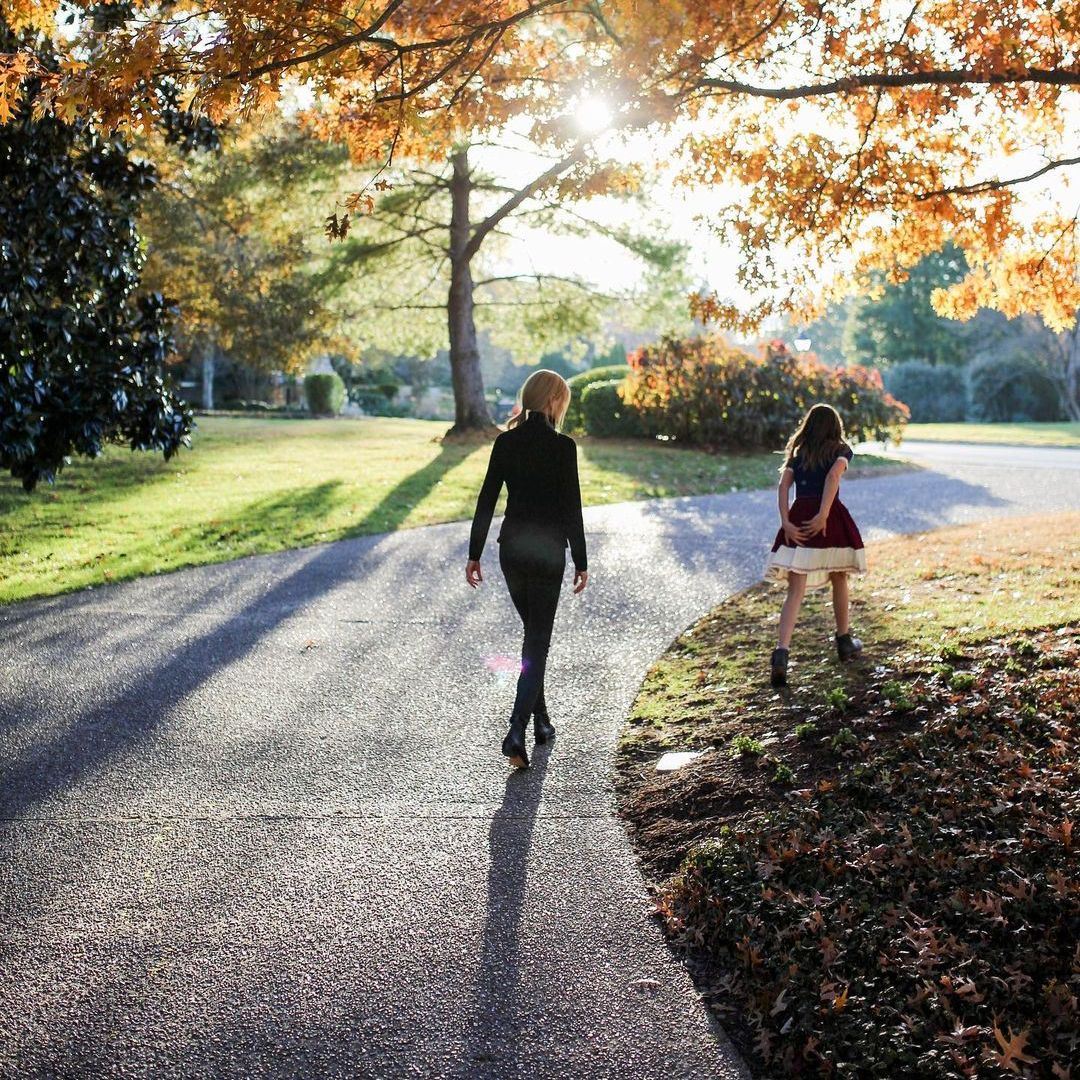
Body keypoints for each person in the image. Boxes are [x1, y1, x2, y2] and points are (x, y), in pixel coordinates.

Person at [466, 370, 588, 769]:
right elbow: (572, 509)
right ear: (554, 401)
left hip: (511, 552)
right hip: (549, 553)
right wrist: (582, 562)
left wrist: (474, 553)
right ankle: (515, 730)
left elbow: (487, 500)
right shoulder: (563, 447)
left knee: (533, 638)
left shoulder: (505, 442)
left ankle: (542, 722)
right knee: (537, 642)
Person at [764, 403, 866, 687]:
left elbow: (784, 487)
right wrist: (823, 514)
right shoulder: (841, 450)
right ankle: (844, 641)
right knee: (839, 578)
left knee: (795, 590)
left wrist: (786, 521)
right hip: (829, 517)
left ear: (808, 426)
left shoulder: (798, 455)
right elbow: (833, 477)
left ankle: (781, 654)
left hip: (798, 516)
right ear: (835, 427)